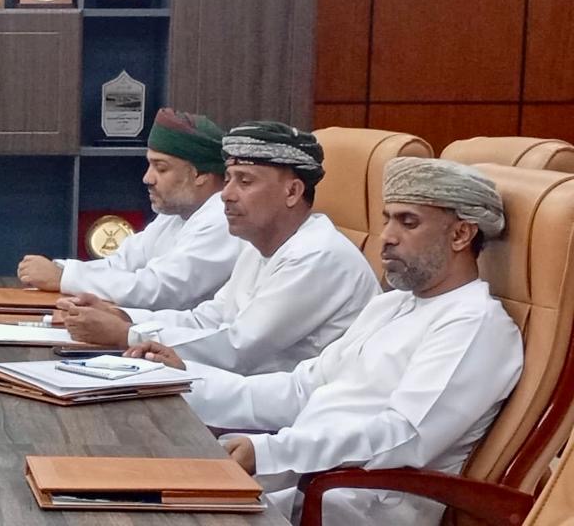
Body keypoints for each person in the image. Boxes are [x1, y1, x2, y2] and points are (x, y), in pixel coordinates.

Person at [134, 157, 523, 526]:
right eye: (387, 220)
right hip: (301, 483)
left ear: (460, 234)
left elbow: (403, 436)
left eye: (408, 223)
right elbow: (303, 388)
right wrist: (186, 380)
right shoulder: (392, 305)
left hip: (354, 504)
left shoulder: (476, 325)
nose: (387, 238)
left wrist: (272, 452)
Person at [59, 121, 378, 373]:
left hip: (289, 417)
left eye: (245, 181)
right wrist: (122, 315)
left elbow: (236, 348)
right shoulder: (259, 245)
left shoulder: (318, 256)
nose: (226, 194)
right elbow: (208, 319)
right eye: (228, 179)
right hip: (239, 396)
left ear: (292, 192)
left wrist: (124, 334)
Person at [16, 108, 241, 309]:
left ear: (201, 174)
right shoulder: (176, 214)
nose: (147, 178)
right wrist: (61, 270)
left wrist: (64, 279)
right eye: (150, 165)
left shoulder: (223, 220)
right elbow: (121, 265)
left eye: (161, 168)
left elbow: (160, 291)